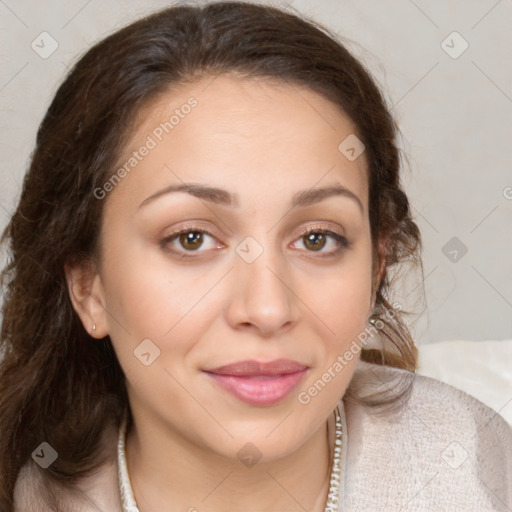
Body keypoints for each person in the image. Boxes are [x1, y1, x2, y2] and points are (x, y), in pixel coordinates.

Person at [0, 2, 510, 511]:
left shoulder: (469, 467)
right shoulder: (28, 490)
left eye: (317, 239)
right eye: (192, 239)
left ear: (376, 269)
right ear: (89, 287)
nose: (267, 309)